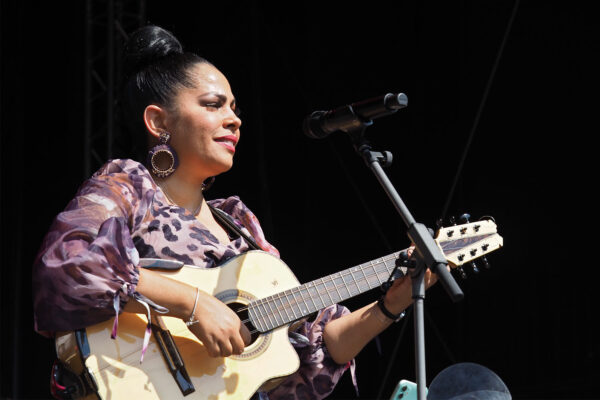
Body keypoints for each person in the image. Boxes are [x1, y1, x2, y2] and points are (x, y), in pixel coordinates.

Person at [32, 25, 438, 400]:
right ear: (158, 121)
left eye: (235, 107)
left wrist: (391, 304)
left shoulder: (238, 224)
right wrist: (194, 302)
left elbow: (315, 345)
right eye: (214, 105)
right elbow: (68, 262)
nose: (234, 119)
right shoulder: (130, 186)